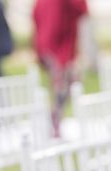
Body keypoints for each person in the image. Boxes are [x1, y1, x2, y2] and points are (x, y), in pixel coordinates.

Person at [33, 0, 88, 136]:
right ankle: (54, 124)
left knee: (65, 83)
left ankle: (54, 121)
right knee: (62, 84)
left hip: (50, 43)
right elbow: (82, 9)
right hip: (58, 46)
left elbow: (35, 14)